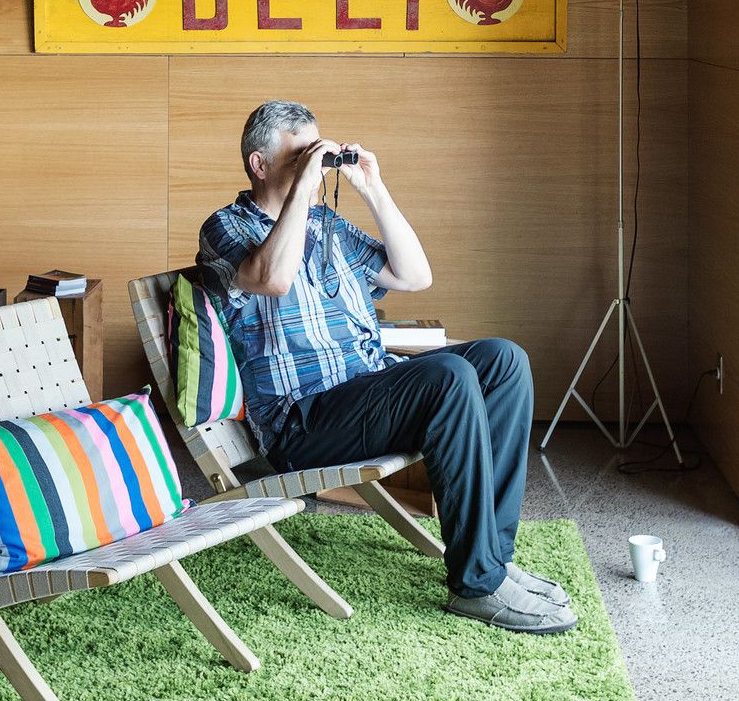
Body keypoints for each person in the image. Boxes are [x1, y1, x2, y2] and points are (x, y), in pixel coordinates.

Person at [197, 99, 577, 634]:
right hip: (302, 421)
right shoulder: (225, 227)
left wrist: (373, 188)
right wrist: (304, 187)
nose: (314, 164)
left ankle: (492, 559)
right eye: (299, 155)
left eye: (317, 153)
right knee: (447, 378)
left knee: (503, 359)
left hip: (366, 392)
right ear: (259, 165)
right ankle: (477, 586)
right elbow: (272, 279)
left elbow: (414, 275)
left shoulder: (328, 225)